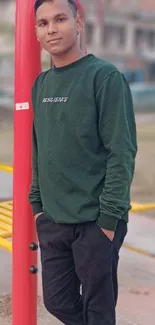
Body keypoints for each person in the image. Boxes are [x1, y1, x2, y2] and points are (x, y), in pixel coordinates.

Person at [29, 0, 137, 324]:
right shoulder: (41, 85)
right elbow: (40, 145)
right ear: (36, 31)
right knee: (58, 301)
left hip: (95, 222)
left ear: (78, 23)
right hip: (53, 221)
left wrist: (107, 220)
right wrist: (37, 204)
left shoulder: (104, 77)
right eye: (43, 23)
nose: (51, 29)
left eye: (60, 19)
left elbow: (122, 151)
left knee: (99, 312)